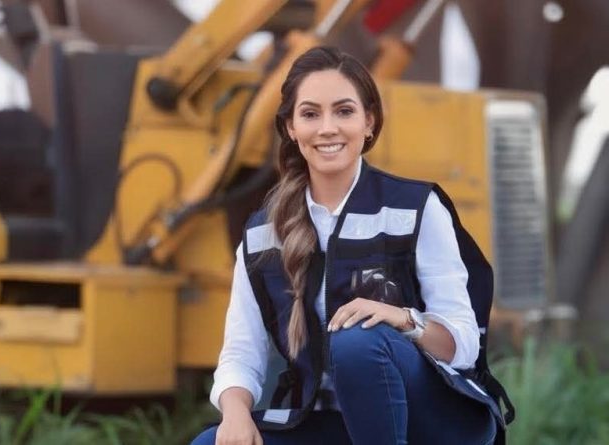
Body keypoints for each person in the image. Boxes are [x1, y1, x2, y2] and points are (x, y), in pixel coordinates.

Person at [191, 46, 507, 445]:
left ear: (368, 122)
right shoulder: (262, 235)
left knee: (357, 339)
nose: (327, 128)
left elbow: (462, 345)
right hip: (327, 421)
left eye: (344, 111)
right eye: (310, 114)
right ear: (291, 127)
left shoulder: (416, 207)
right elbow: (241, 353)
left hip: (433, 420)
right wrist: (235, 414)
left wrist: (400, 319)